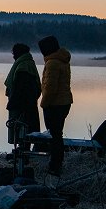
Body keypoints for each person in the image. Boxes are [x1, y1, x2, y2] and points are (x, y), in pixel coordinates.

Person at [38, 35, 73, 177]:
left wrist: (43, 103)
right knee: (57, 134)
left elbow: (50, 88)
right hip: (64, 102)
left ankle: (55, 165)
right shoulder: (63, 60)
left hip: (55, 104)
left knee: (54, 136)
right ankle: (56, 163)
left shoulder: (52, 63)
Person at [4, 43, 41, 149]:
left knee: (21, 129)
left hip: (22, 105)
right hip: (28, 103)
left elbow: (20, 88)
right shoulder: (27, 63)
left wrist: (12, 103)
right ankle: (23, 151)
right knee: (25, 129)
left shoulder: (23, 66)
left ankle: (23, 154)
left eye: (14, 53)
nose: (13, 56)